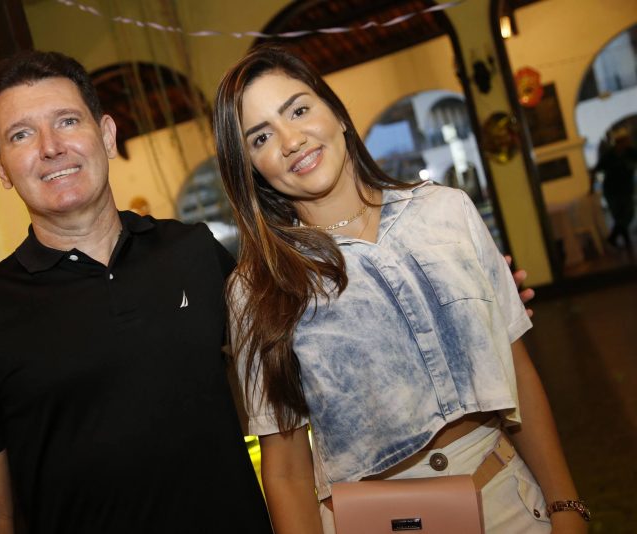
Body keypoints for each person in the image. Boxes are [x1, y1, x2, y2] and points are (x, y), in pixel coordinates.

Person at [213, 45, 587, 534]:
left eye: (299, 110)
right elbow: (285, 469)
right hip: (374, 521)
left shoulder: (447, 212)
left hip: (507, 502)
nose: (291, 140)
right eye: (261, 137)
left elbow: (518, 373)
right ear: (251, 167)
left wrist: (566, 506)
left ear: (336, 113)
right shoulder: (257, 289)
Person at [0, 50, 273, 534]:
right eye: (21, 135)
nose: (51, 147)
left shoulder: (194, 252)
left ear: (107, 135)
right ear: (1, 167)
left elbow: (278, 391)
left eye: (67, 121)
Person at [593, 127, 637, 250]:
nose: (629, 141)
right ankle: (626, 241)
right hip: (611, 190)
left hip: (626, 189)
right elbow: (596, 170)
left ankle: (613, 237)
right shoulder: (609, 156)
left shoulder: (632, 152)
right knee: (618, 215)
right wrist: (591, 188)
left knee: (628, 213)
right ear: (620, 141)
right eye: (626, 139)